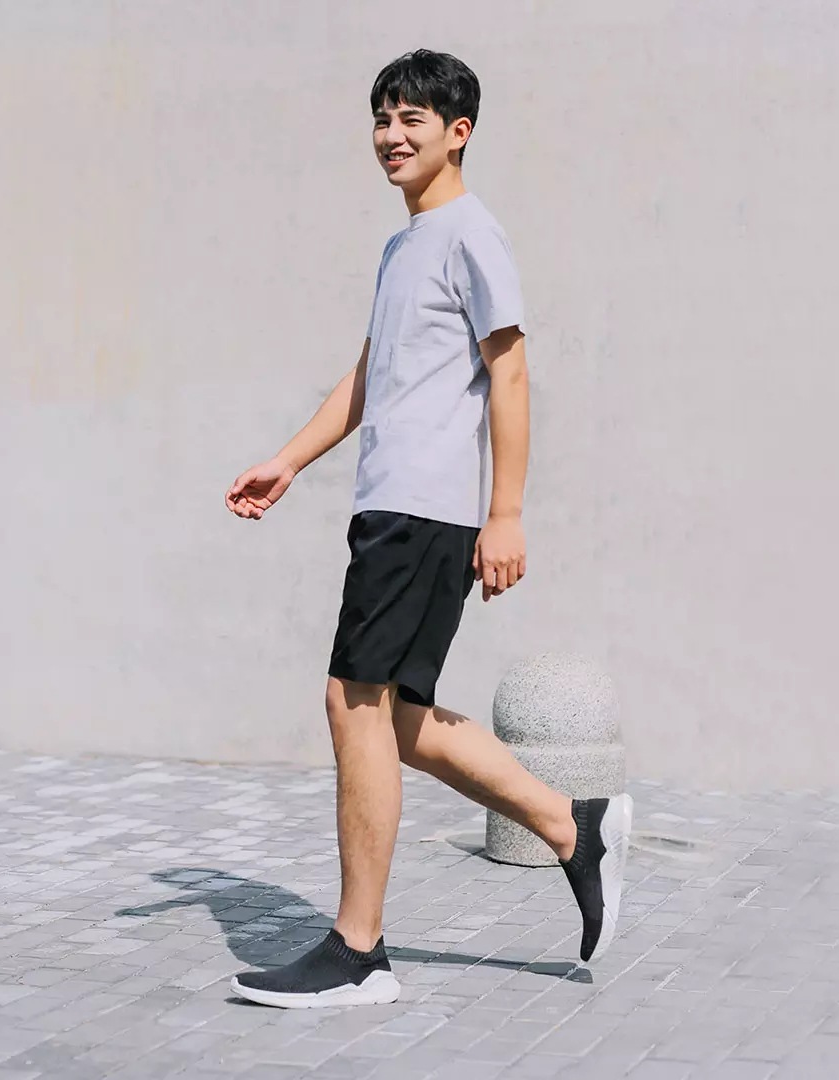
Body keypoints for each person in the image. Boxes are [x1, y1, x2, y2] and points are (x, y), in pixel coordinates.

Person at [223, 49, 633, 1009]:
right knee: (397, 718)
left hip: (423, 510)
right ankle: (570, 825)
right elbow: (375, 373)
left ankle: (358, 951)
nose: (391, 135)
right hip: (392, 504)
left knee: (351, 701)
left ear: (459, 132)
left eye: (411, 118)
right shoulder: (403, 246)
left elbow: (511, 371)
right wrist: (290, 459)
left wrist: (506, 513)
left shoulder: (471, 234)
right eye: (381, 118)